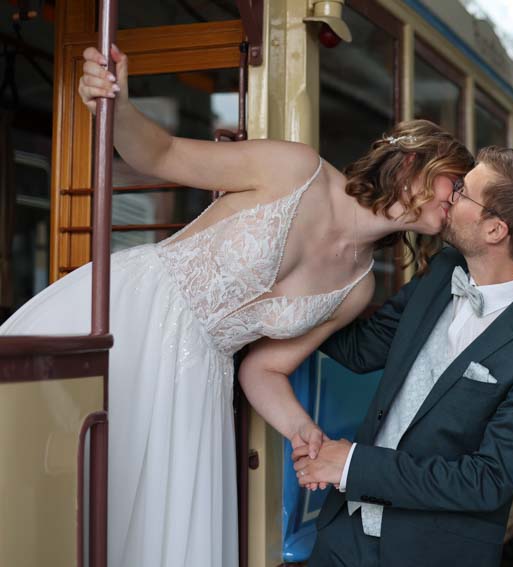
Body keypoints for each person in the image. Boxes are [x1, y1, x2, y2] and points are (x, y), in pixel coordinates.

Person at [0, 45, 473, 567]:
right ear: (413, 161)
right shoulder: (295, 168)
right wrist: (118, 106)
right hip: (131, 315)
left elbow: (263, 369)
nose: (459, 198)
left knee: (142, 526)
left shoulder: (357, 287)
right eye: (456, 182)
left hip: (195, 380)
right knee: (45, 476)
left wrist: (301, 428)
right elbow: (161, 154)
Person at [273, 147, 513, 566]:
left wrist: (352, 466)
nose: (448, 195)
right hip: (342, 536)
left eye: (463, 191)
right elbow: (361, 349)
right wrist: (283, 289)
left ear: (495, 230)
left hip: (430, 552)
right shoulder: (444, 269)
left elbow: (486, 481)